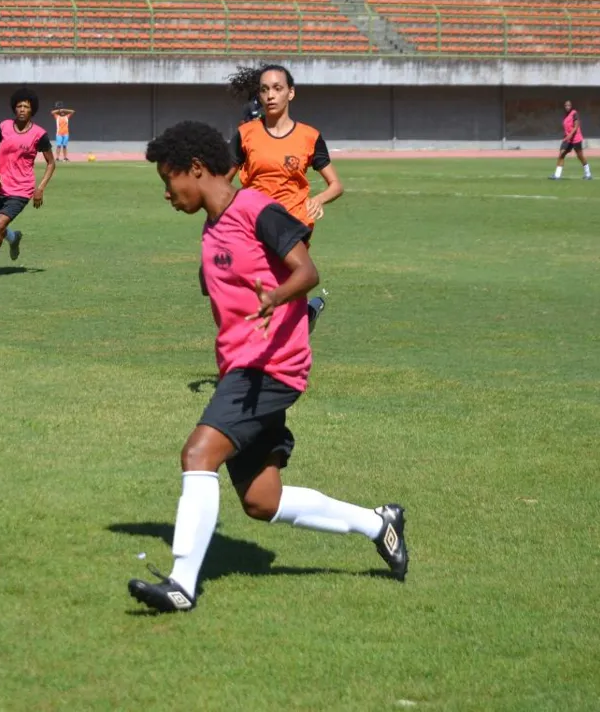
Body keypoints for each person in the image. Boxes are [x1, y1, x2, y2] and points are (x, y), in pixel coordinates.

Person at [127, 121, 408, 613]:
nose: (166, 194)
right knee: (262, 502)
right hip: (241, 368)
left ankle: (181, 585)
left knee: (197, 455)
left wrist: (276, 296)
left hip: (271, 368)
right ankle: (378, 522)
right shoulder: (212, 226)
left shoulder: (258, 210)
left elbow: (308, 271)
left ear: (196, 170)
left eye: (168, 181)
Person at [227, 65, 341, 331]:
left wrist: (319, 199)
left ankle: (289, 342)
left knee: (285, 285)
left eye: (278, 88)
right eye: (265, 89)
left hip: (294, 223)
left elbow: (336, 185)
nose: (271, 95)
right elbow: (223, 182)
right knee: (259, 292)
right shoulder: (246, 134)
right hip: (254, 222)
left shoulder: (309, 137)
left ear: (291, 93)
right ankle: (307, 314)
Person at [0, 87, 56, 280]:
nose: (22, 109)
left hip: (21, 189)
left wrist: (40, 188)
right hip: (0, 187)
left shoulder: (39, 134)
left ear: (32, 110)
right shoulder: (3, 127)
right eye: (19, 106)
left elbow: (51, 163)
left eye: (26, 106)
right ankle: (13, 237)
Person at [550, 100, 591, 180]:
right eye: (566, 105)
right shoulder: (566, 116)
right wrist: (566, 136)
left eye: (569, 105)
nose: (567, 107)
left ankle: (588, 174)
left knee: (580, 156)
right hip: (567, 139)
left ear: (571, 106)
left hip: (575, 138)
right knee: (561, 154)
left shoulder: (574, 113)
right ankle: (557, 175)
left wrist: (570, 135)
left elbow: (576, 126)